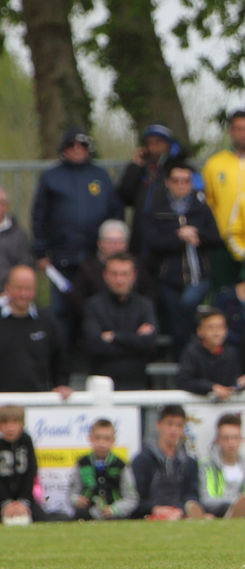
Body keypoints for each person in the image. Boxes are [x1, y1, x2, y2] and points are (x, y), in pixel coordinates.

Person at [31, 128, 124, 351]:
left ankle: (94, 363)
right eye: (71, 146)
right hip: (62, 261)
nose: (76, 150)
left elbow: (115, 213)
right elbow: (39, 216)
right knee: (61, 312)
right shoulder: (51, 177)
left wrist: (114, 250)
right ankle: (61, 367)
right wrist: (41, 251)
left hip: (96, 260)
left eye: (81, 146)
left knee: (96, 311)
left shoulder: (100, 176)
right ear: (63, 149)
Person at [143, 160, 222, 357]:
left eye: (185, 181)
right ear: (168, 182)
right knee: (174, 314)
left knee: (186, 307)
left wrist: (198, 236)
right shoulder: (157, 208)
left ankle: (188, 356)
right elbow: (151, 242)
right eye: (176, 181)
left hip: (198, 275)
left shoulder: (201, 207)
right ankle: (184, 358)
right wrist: (178, 237)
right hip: (168, 276)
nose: (181, 185)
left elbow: (216, 238)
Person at [202, 111, 245, 286]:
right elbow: (208, 201)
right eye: (238, 129)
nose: (243, 133)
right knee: (223, 291)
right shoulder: (214, 163)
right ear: (230, 131)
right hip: (222, 240)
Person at [83, 253, 158, 390]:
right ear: (105, 275)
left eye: (125, 274)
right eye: (114, 274)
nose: (119, 280)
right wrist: (134, 339)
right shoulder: (93, 305)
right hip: (103, 386)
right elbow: (95, 344)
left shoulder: (144, 305)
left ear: (134, 276)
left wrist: (114, 336)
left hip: (137, 383)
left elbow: (149, 343)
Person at [117, 123, 192, 258]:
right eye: (149, 144)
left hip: (168, 237)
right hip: (141, 237)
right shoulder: (142, 170)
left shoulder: (180, 169)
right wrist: (135, 166)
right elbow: (125, 195)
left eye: (158, 143)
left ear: (168, 145)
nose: (153, 148)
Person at [0, 266, 69, 397]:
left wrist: (61, 385)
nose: (23, 294)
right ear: (7, 288)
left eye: (28, 289)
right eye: (19, 288)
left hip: (38, 402)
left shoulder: (48, 321)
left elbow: (59, 360)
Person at [131, 404, 205, 519]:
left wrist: (179, 509)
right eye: (169, 424)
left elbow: (192, 494)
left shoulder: (190, 462)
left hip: (180, 514)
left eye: (179, 425)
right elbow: (135, 499)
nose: (174, 430)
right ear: (159, 425)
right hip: (150, 515)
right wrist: (154, 509)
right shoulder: (142, 460)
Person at [68, 418, 138, 520]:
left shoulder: (121, 465)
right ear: (91, 439)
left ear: (113, 440)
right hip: (86, 514)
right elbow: (71, 493)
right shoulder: (82, 463)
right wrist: (77, 500)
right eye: (98, 438)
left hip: (115, 516)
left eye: (106, 439)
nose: (101, 443)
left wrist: (115, 509)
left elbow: (131, 498)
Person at [199, 413, 245, 518]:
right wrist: (234, 504)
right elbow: (206, 499)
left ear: (241, 439)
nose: (231, 443)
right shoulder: (206, 466)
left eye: (235, 438)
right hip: (218, 511)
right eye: (226, 438)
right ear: (218, 440)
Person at [176, 307, 245, 399]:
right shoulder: (191, 352)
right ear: (200, 331)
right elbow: (184, 381)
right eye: (210, 327)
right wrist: (211, 387)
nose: (216, 332)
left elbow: (232, 382)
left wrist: (239, 384)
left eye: (220, 327)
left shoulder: (231, 353)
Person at [0, 186, 33, 284]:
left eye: (1, 202)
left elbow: (24, 265)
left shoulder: (19, 235)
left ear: (6, 206)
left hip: (10, 292)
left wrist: (10, 290)